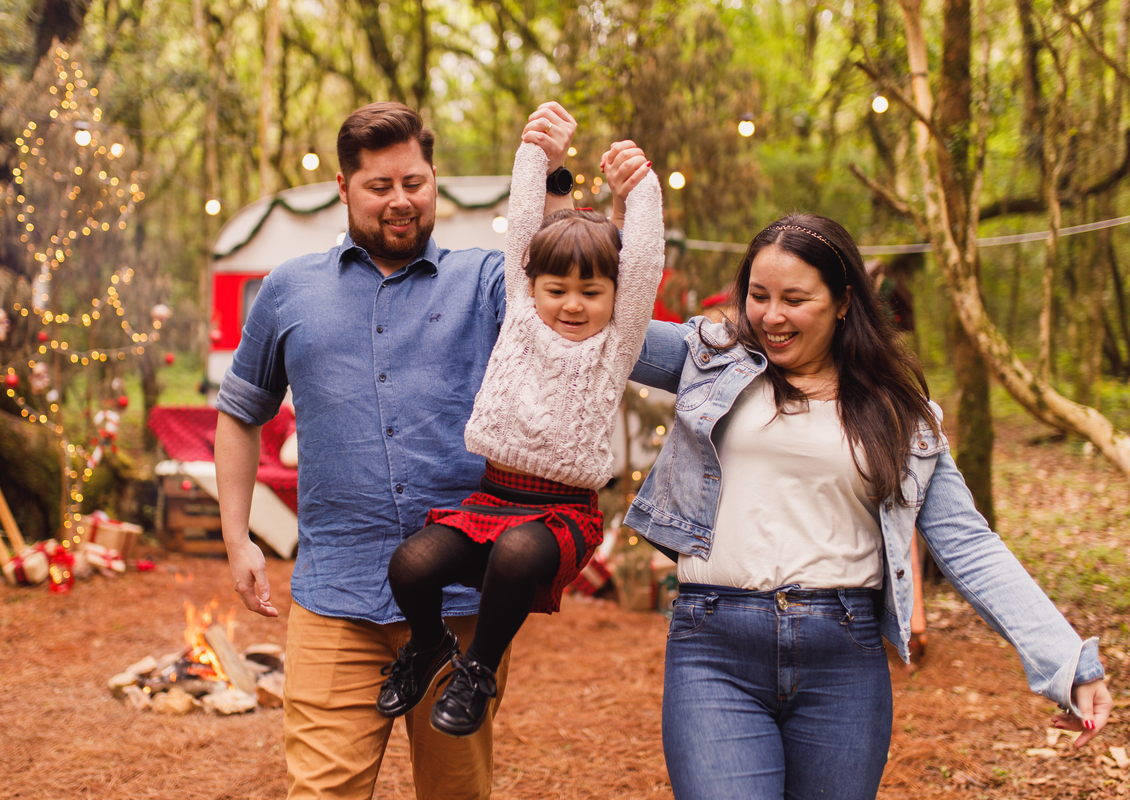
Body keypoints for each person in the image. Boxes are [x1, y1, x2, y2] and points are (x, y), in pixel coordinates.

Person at [623, 213, 1112, 800]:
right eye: (758, 296)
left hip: (842, 659)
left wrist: (1068, 661)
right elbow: (601, 328)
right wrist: (570, 203)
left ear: (844, 301)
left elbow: (970, 546)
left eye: (795, 299)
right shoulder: (708, 357)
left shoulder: (898, 413)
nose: (771, 317)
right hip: (714, 647)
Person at [214, 100, 576, 800]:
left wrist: (554, 177)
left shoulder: (483, 282)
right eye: (380, 186)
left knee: (456, 793)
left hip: (463, 602)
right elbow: (239, 413)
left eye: (414, 182)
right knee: (320, 792)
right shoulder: (290, 290)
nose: (400, 201)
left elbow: (566, 277)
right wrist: (238, 539)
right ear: (344, 189)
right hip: (334, 601)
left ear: (433, 179)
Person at [375, 139, 662, 738]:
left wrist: (639, 189)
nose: (573, 306)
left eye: (592, 293)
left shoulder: (614, 347)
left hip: (560, 515)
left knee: (513, 555)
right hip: (491, 500)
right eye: (557, 290)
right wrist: (536, 151)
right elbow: (525, 224)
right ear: (532, 287)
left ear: (615, 298)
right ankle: (430, 645)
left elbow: (642, 264)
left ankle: (477, 671)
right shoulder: (518, 313)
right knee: (410, 565)